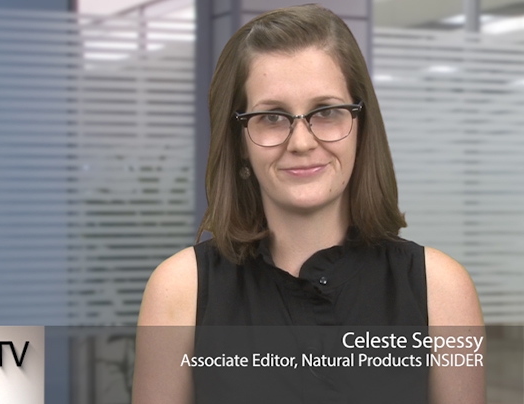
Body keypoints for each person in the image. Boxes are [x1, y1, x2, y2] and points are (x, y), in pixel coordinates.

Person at [133, 4, 484, 404]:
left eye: (327, 111)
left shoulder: (441, 290)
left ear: (360, 126)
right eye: (272, 117)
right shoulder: (180, 290)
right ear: (239, 141)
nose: (301, 142)